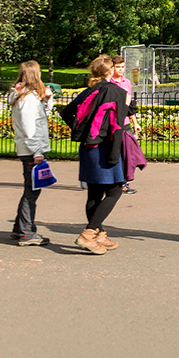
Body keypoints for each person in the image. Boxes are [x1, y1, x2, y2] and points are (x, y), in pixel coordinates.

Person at [59, 55, 136, 253]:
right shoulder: (116, 91)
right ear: (110, 71)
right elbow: (122, 118)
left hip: (88, 147)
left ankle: (99, 234)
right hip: (107, 147)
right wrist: (128, 103)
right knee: (115, 190)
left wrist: (82, 131)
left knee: (94, 192)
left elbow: (66, 113)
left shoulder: (88, 91)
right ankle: (89, 232)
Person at [8, 60, 54, 246]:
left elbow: (44, 114)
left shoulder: (26, 95)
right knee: (32, 191)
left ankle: (20, 228)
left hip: (29, 148)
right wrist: (37, 151)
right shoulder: (26, 99)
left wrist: (47, 98)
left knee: (32, 188)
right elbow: (29, 128)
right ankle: (26, 232)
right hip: (31, 150)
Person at [107, 56, 138, 194]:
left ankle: (125, 182)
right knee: (113, 153)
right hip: (112, 123)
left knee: (128, 153)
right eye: (118, 67)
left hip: (125, 123)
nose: (121, 70)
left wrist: (135, 122)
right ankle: (112, 181)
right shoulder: (108, 82)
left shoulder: (127, 82)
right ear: (112, 68)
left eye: (122, 67)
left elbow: (129, 104)